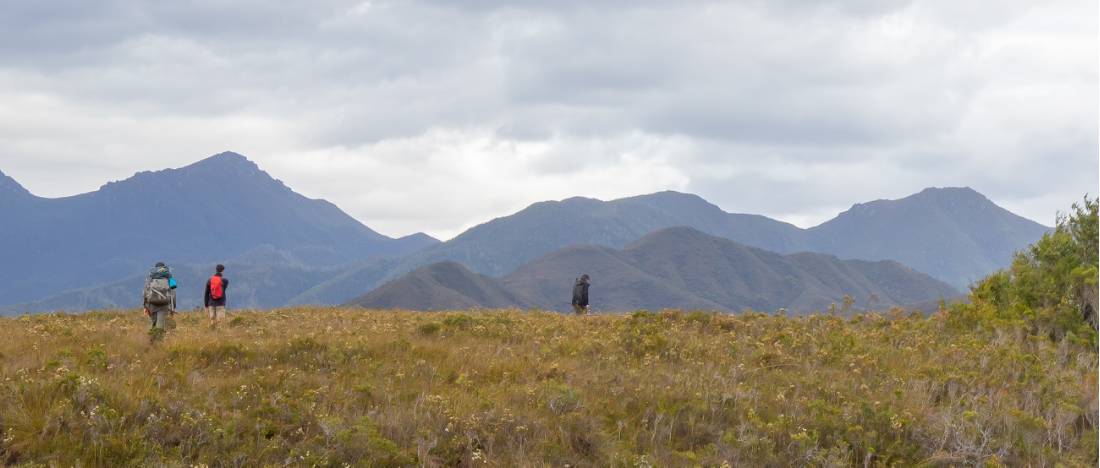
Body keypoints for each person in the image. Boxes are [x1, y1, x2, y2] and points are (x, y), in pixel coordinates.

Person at [143, 262, 176, 334]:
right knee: (160, 325)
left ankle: (151, 341)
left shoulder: (151, 276)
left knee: (153, 323)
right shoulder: (169, 276)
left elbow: (145, 292)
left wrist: (145, 306)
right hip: (164, 304)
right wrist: (173, 308)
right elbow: (173, 292)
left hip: (152, 304)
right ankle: (158, 340)